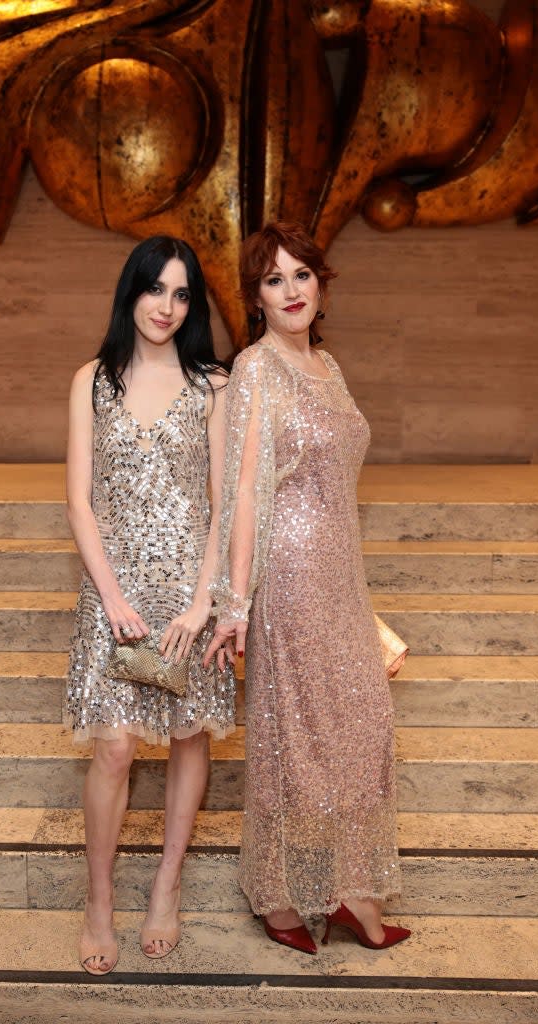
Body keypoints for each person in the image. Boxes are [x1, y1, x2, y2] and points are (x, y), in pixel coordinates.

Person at [204, 221, 410, 954]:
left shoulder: (329, 365)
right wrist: (235, 603)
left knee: (362, 730)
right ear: (255, 297)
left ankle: (353, 894)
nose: (290, 290)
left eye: (301, 275)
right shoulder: (257, 369)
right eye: (272, 279)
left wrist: (366, 604)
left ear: (320, 285)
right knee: (298, 739)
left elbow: (339, 488)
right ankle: (282, 894)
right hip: (286, 575)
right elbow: (244, 493)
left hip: (339, 570)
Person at [65, 235, 233, 975]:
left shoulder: (213, 387)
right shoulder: (92, 381)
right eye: (154, 289)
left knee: (190, 734)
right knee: (116, 746)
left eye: (182, 293)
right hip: (116, 588)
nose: (166, 307)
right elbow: (78, 503)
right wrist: (113, 599)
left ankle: (166, 886)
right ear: (130, 292)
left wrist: (202, 604)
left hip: (188, 593)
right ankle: (99, 900)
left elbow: (225, 507)